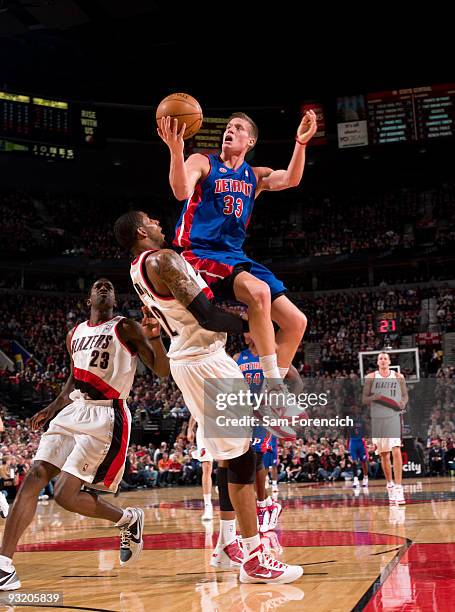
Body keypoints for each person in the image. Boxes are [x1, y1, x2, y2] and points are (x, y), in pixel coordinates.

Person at [114, 211, 303, 584]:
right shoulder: (163, 259)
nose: (160, 224)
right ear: (141, 231)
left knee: (226, 457)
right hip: (206, 362)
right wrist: (252, 324)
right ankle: (254, 558)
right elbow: (208, 316)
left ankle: (226, 544)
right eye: (152, 221)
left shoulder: (137, 270)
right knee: (242, 458)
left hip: (190, 360)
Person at [0, 278, 169, 591]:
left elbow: (161, 370)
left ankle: (127, 518)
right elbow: (72, 380)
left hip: (107, 414)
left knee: (65, 495)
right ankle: (4, 565)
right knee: (36, 473)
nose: (103, 286)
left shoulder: (126, 327)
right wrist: (52, 407)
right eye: (97, 285)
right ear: (89, 298)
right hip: (73, 410)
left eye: (109, 286)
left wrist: (156, 339)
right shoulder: (73, 334)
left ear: (114, 300)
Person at [158, 110, 317, 395]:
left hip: (233, 256)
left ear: (250, 141)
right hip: (198, 253)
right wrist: (175, 151)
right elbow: (181, 191)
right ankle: (275, 388)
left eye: (238, 127)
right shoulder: (202, 162)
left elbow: (290, 179)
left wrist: (301, 143)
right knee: (259, 293)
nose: (229, 130)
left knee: (296, 322)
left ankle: (268, 398)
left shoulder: (254, 176)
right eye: (228, 126)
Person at [362, 353, 408, 505]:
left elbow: (405, 396)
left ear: (389, 361)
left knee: (396, 449)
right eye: (380, 358)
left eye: (385, 358)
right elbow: (364, 399)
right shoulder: (371, 377)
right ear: (377, 362)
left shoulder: (398, 376)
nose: (383, 360)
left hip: (393, 416)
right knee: (384, 455)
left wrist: (402, 403)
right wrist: (374, 398)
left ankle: (399, 488)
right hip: (377, 418)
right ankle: (390, 484)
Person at [187, 415, 214, 520]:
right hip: (204, 427)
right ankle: (208, 506)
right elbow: (194, 409)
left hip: (222, 425)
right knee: (207, 466)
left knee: (226, 463)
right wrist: (190, 428)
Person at [348, 406, 369, 488]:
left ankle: (365, 477)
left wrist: (366, 439)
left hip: (360, 442)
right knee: (354, 461)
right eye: (352, 409)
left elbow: (366, 431)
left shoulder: (362, 420)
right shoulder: (348, 420)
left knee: (364, 461)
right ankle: (355, 479)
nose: (353, 410)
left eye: (355, 409)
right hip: (353, 441)